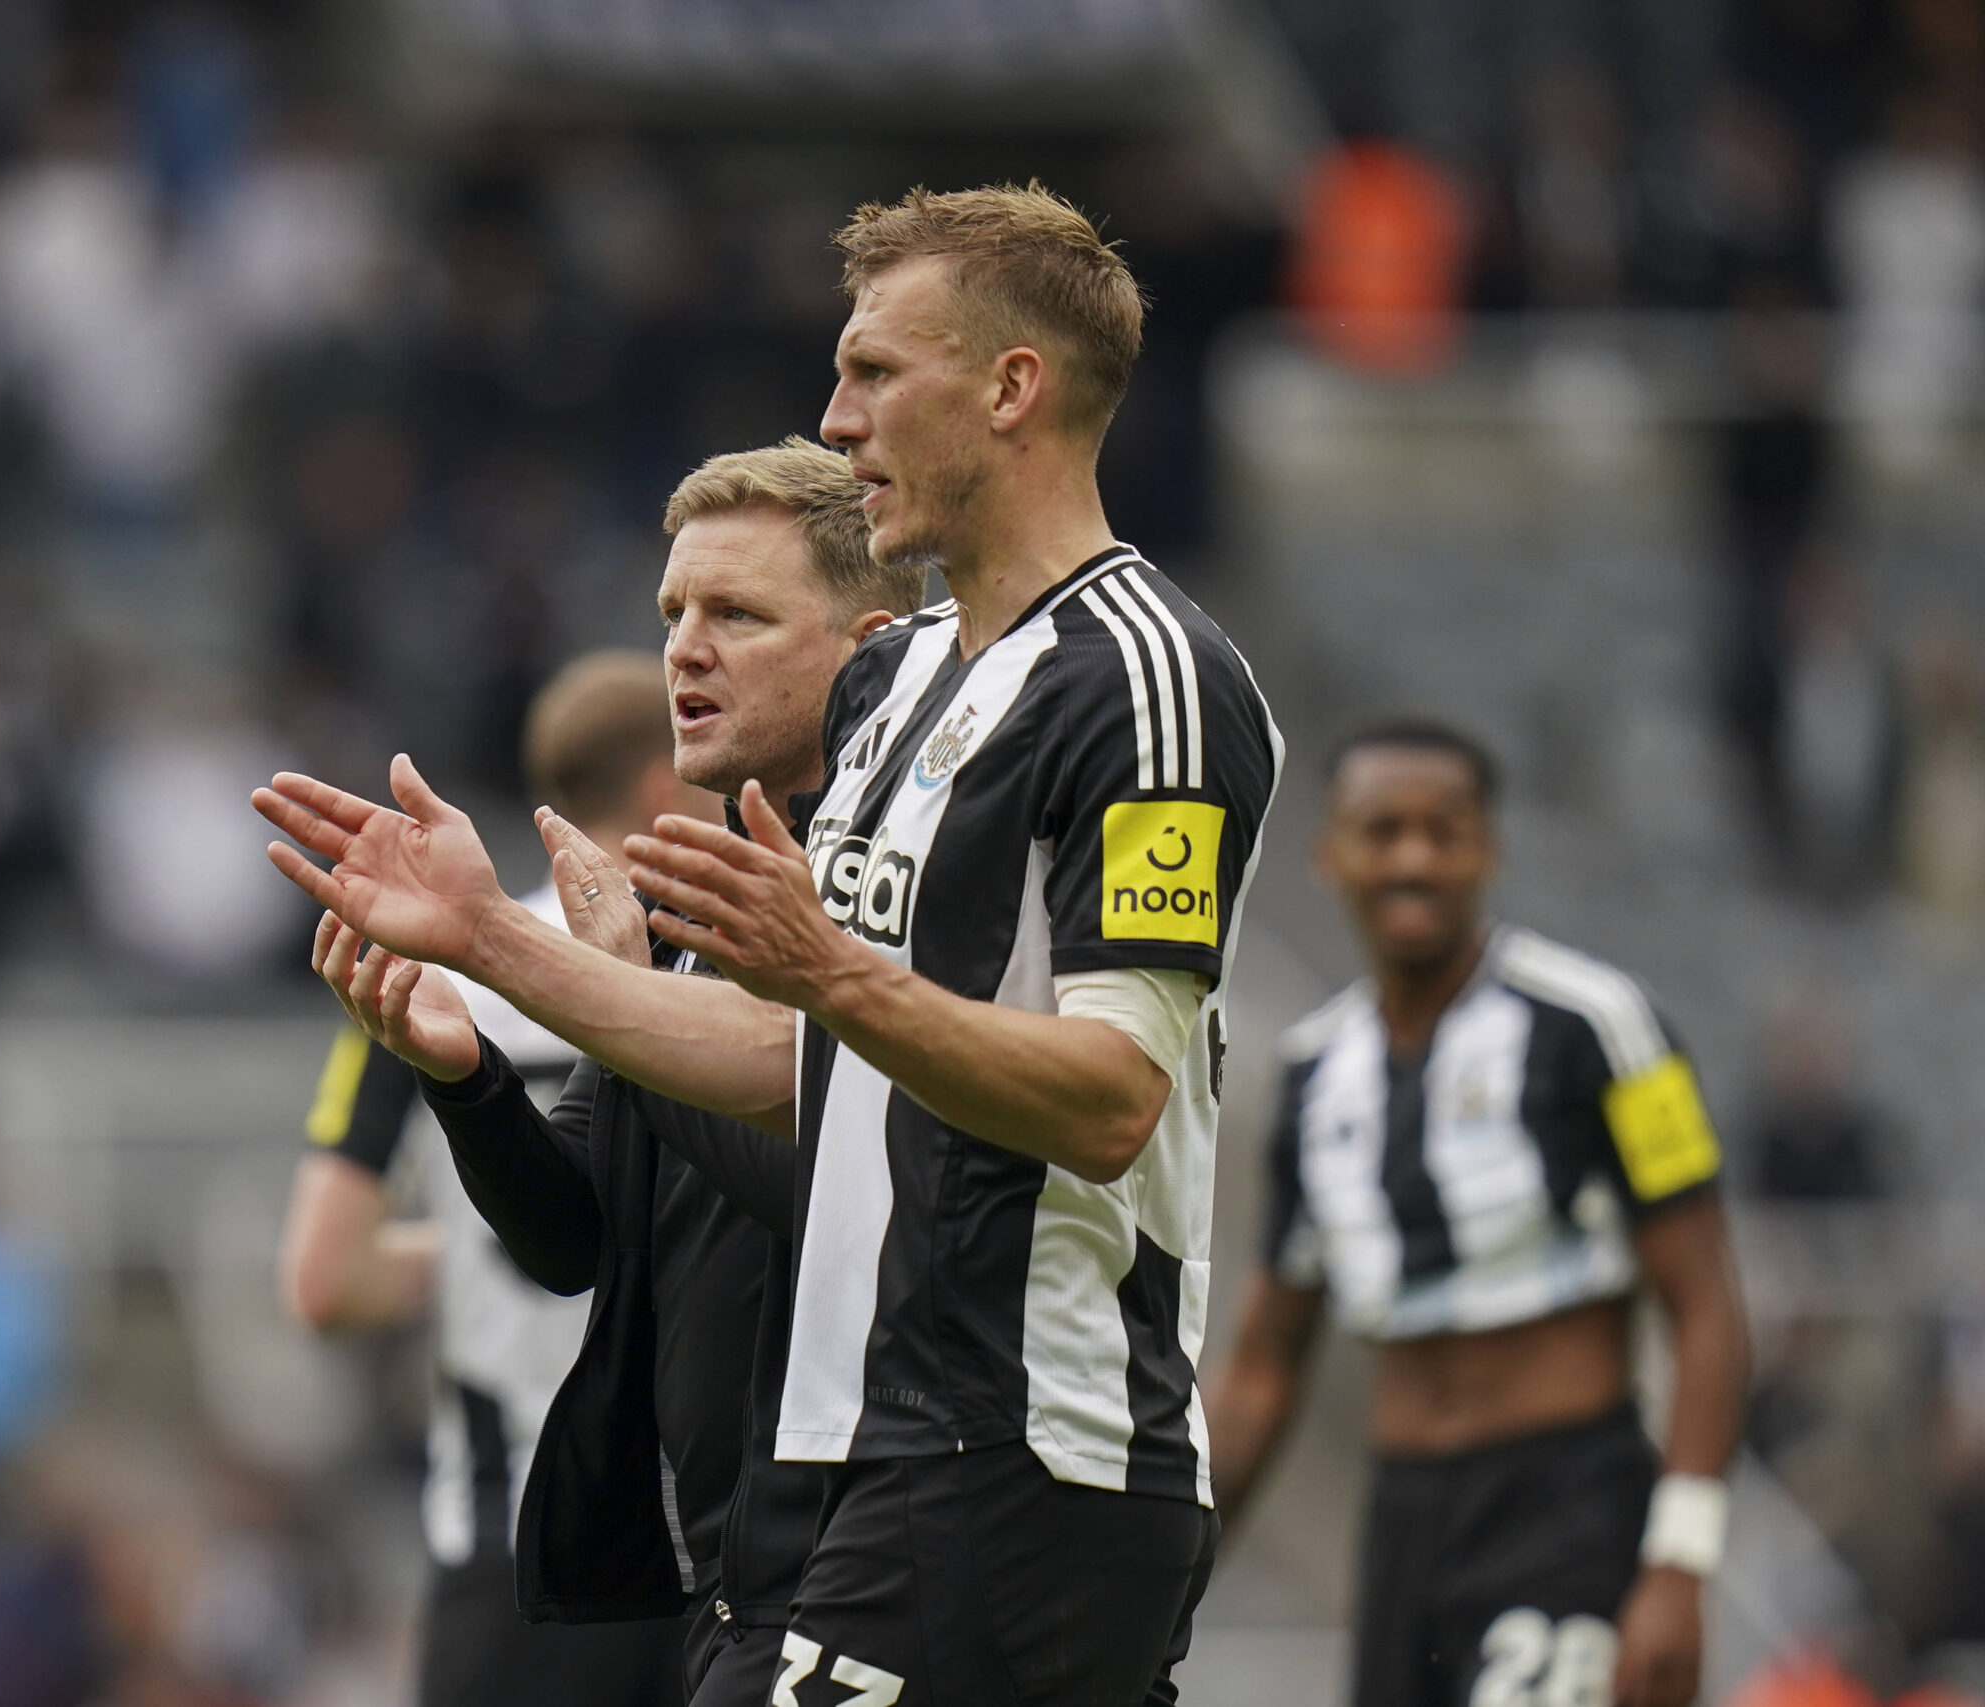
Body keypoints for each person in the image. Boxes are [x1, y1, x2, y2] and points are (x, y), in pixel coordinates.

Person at [257, 183, 1282, 1705]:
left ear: (1011, 389)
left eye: (874, 372)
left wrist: (828, 974)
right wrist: (500, 955)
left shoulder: (1143, 675)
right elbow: (802, 1073)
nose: (838, 413)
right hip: (852, 1453)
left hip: (1017, 1443)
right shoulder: (913, 682)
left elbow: (1115, 1092)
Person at [315, 439, 924, 1706]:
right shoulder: (687, 922)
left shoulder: (911, 892)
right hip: (709, 1568)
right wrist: (465, 1076)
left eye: (736, 614)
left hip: (882, 1552)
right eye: (672, 614)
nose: (683, 650)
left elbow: (858, 1201)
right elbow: (576, 1238)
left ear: (872, 647)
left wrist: (593, 998)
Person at [1206, 719, 1751, 1707]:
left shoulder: (1598, 1025)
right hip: (1404, 1524)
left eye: (1441, 830)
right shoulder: (1310, 1075)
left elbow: (1706, 1301)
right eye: (1382, 830)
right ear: (1330, 855)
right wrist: (1167, 1576)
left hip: (1566, 1501)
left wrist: (1680, 1563)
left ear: (1487, 849)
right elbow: (1262, 1364)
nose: (1411, 857)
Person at [280, 651, 714, 1707]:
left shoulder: (428, 966)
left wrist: (476, 1239)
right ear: (662, 785)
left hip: (514, 1537)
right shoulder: (733, 964)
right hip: (714, 1538)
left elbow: (321, 1281)